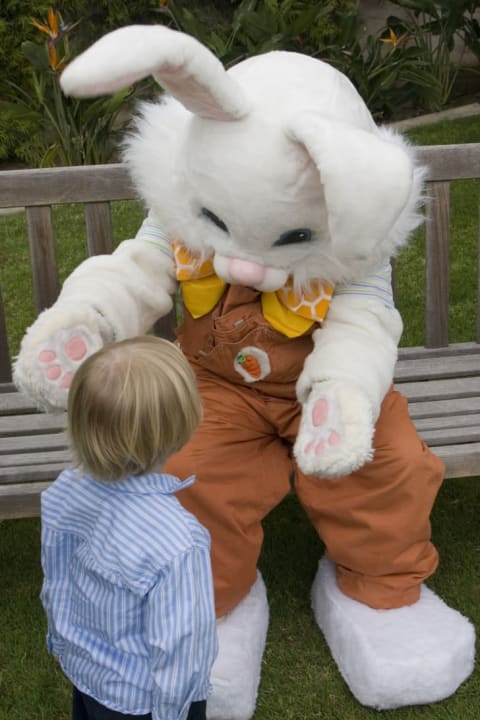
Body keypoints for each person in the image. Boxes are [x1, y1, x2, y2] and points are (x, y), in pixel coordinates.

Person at [40, 335, 218, 720]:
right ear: (178, 428)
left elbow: (56, 580)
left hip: (88, 674)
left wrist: (60, 640)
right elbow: (183, 644)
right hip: (142, 700)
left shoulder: (64, 491)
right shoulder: (179, 543)